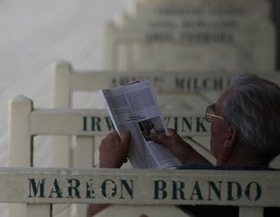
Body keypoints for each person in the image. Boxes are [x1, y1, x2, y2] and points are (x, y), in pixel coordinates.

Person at [87, 73, 280, 217]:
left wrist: (107, 168)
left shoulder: (181, 187)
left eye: (214, 114)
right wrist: (186, 154)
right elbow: (220, 185)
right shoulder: (273, 189)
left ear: (230, 136)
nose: (210, 121)